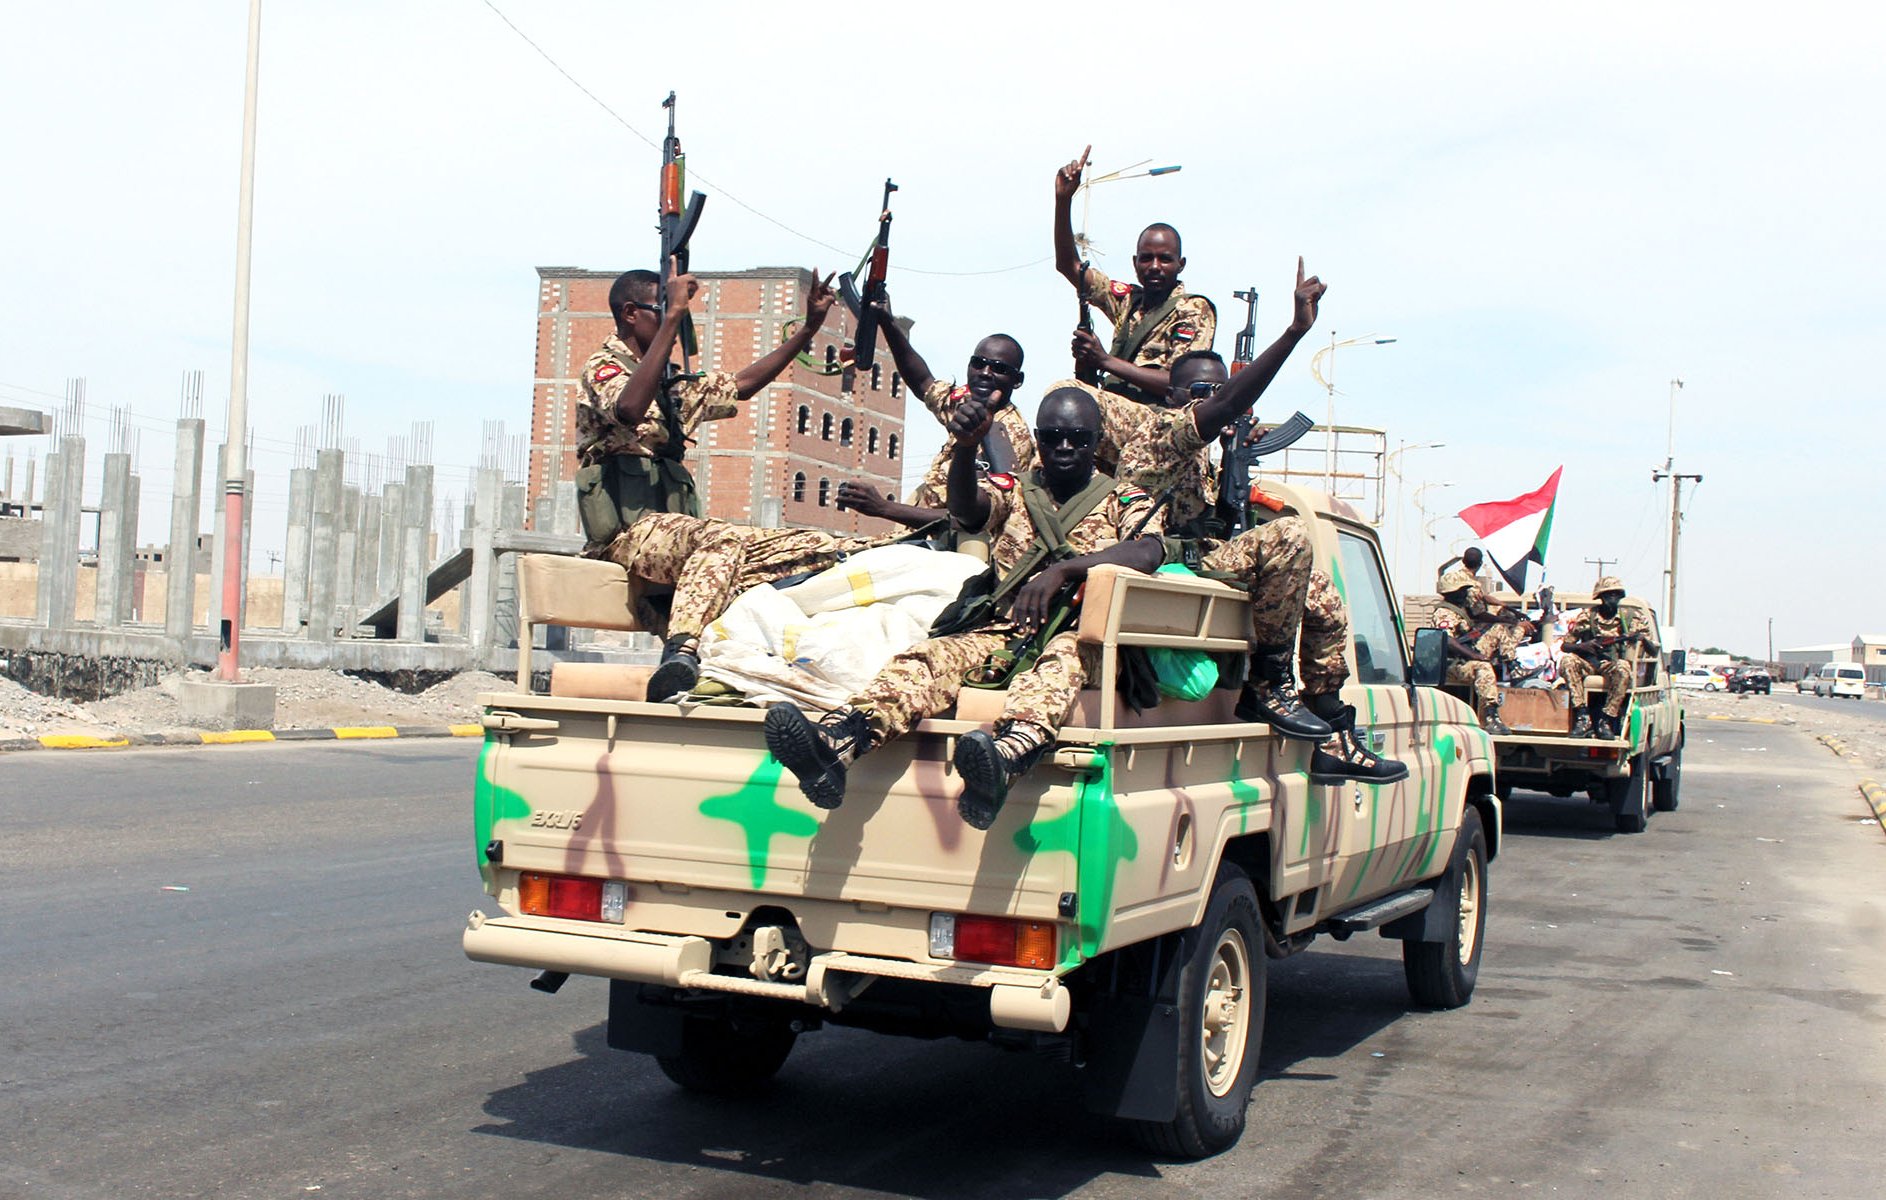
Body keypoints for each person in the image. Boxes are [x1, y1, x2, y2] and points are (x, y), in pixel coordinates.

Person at [765, 386, 1166, 829]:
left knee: (1060, 662)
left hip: (1083, 637)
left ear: (1097, 440)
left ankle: (1007, 758)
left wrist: (1064, 572)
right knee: (928, 658)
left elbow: (1147, 552)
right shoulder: (1014, 491)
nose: (1065, 447)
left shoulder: (1124, 500)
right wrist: (966, 447)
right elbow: (966, 510)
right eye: (1052, 437)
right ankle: (840, 741)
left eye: (1078, 437)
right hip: (1007, 629)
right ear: (1038, 437)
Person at [1110, 264, 1407, 782]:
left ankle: (1333, 724)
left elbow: (1223, 516)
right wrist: (1293, 331)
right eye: (1201, 391)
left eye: (1218, 389)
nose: (1214, 399)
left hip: (1202, 555)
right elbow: (1229, 403)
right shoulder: (1161, 433)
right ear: (1174, 398)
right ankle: (1268, 685)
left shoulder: (1211, 450)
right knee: (1291, 536)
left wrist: (1233, 472)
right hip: (1165, 559)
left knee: (1322, 597)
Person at [836, 305, 1036, 527]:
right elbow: (923, 383)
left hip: (955, 548)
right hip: (921, 537)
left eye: (999, 368)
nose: (985, 373)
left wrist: (883, 507)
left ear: (1017, 380)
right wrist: (888, 324)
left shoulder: (1009, 435)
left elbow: (972, 517)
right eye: (978, 364)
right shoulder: (968, 403)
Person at [1053, 147, 1217, 406]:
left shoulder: (1193, 309)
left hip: (1156, 420)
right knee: (1064, 398)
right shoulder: (1128, 301)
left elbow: (1184, 383)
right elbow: (1068, 266)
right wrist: (1063, 201)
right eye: (1146, 258)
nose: (1154, 267)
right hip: (1115, 408)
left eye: (1165, 259)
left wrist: (1104, 360)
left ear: (1180, 265)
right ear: (1135, 263)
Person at [1559, 576, 1655, 738]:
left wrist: (1641, 639)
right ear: (1600, 597)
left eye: (1617, 595)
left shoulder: (1632, 618)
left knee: (1623, 667)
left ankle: (1607, 719)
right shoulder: (1587, 617)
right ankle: (1582, 716)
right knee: (1568, 661)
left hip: (1612, 664)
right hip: (1590, 664)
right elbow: (1565, 645)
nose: (1614, 599)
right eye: (1609, 595)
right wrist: (1584, 646)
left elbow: (1653, 651)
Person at [1433, 567, 1509, 733]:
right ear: (1453, 592)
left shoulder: (1463, 610)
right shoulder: (1445, 613)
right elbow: (1448, 641)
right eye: (1462, 591)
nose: (1465, 594)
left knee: (1498, 629)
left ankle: (1510, 666)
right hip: (1452, 665)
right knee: (1483, 668)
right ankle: (1489, 716)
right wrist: (1476, 656)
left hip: (1465, 657)